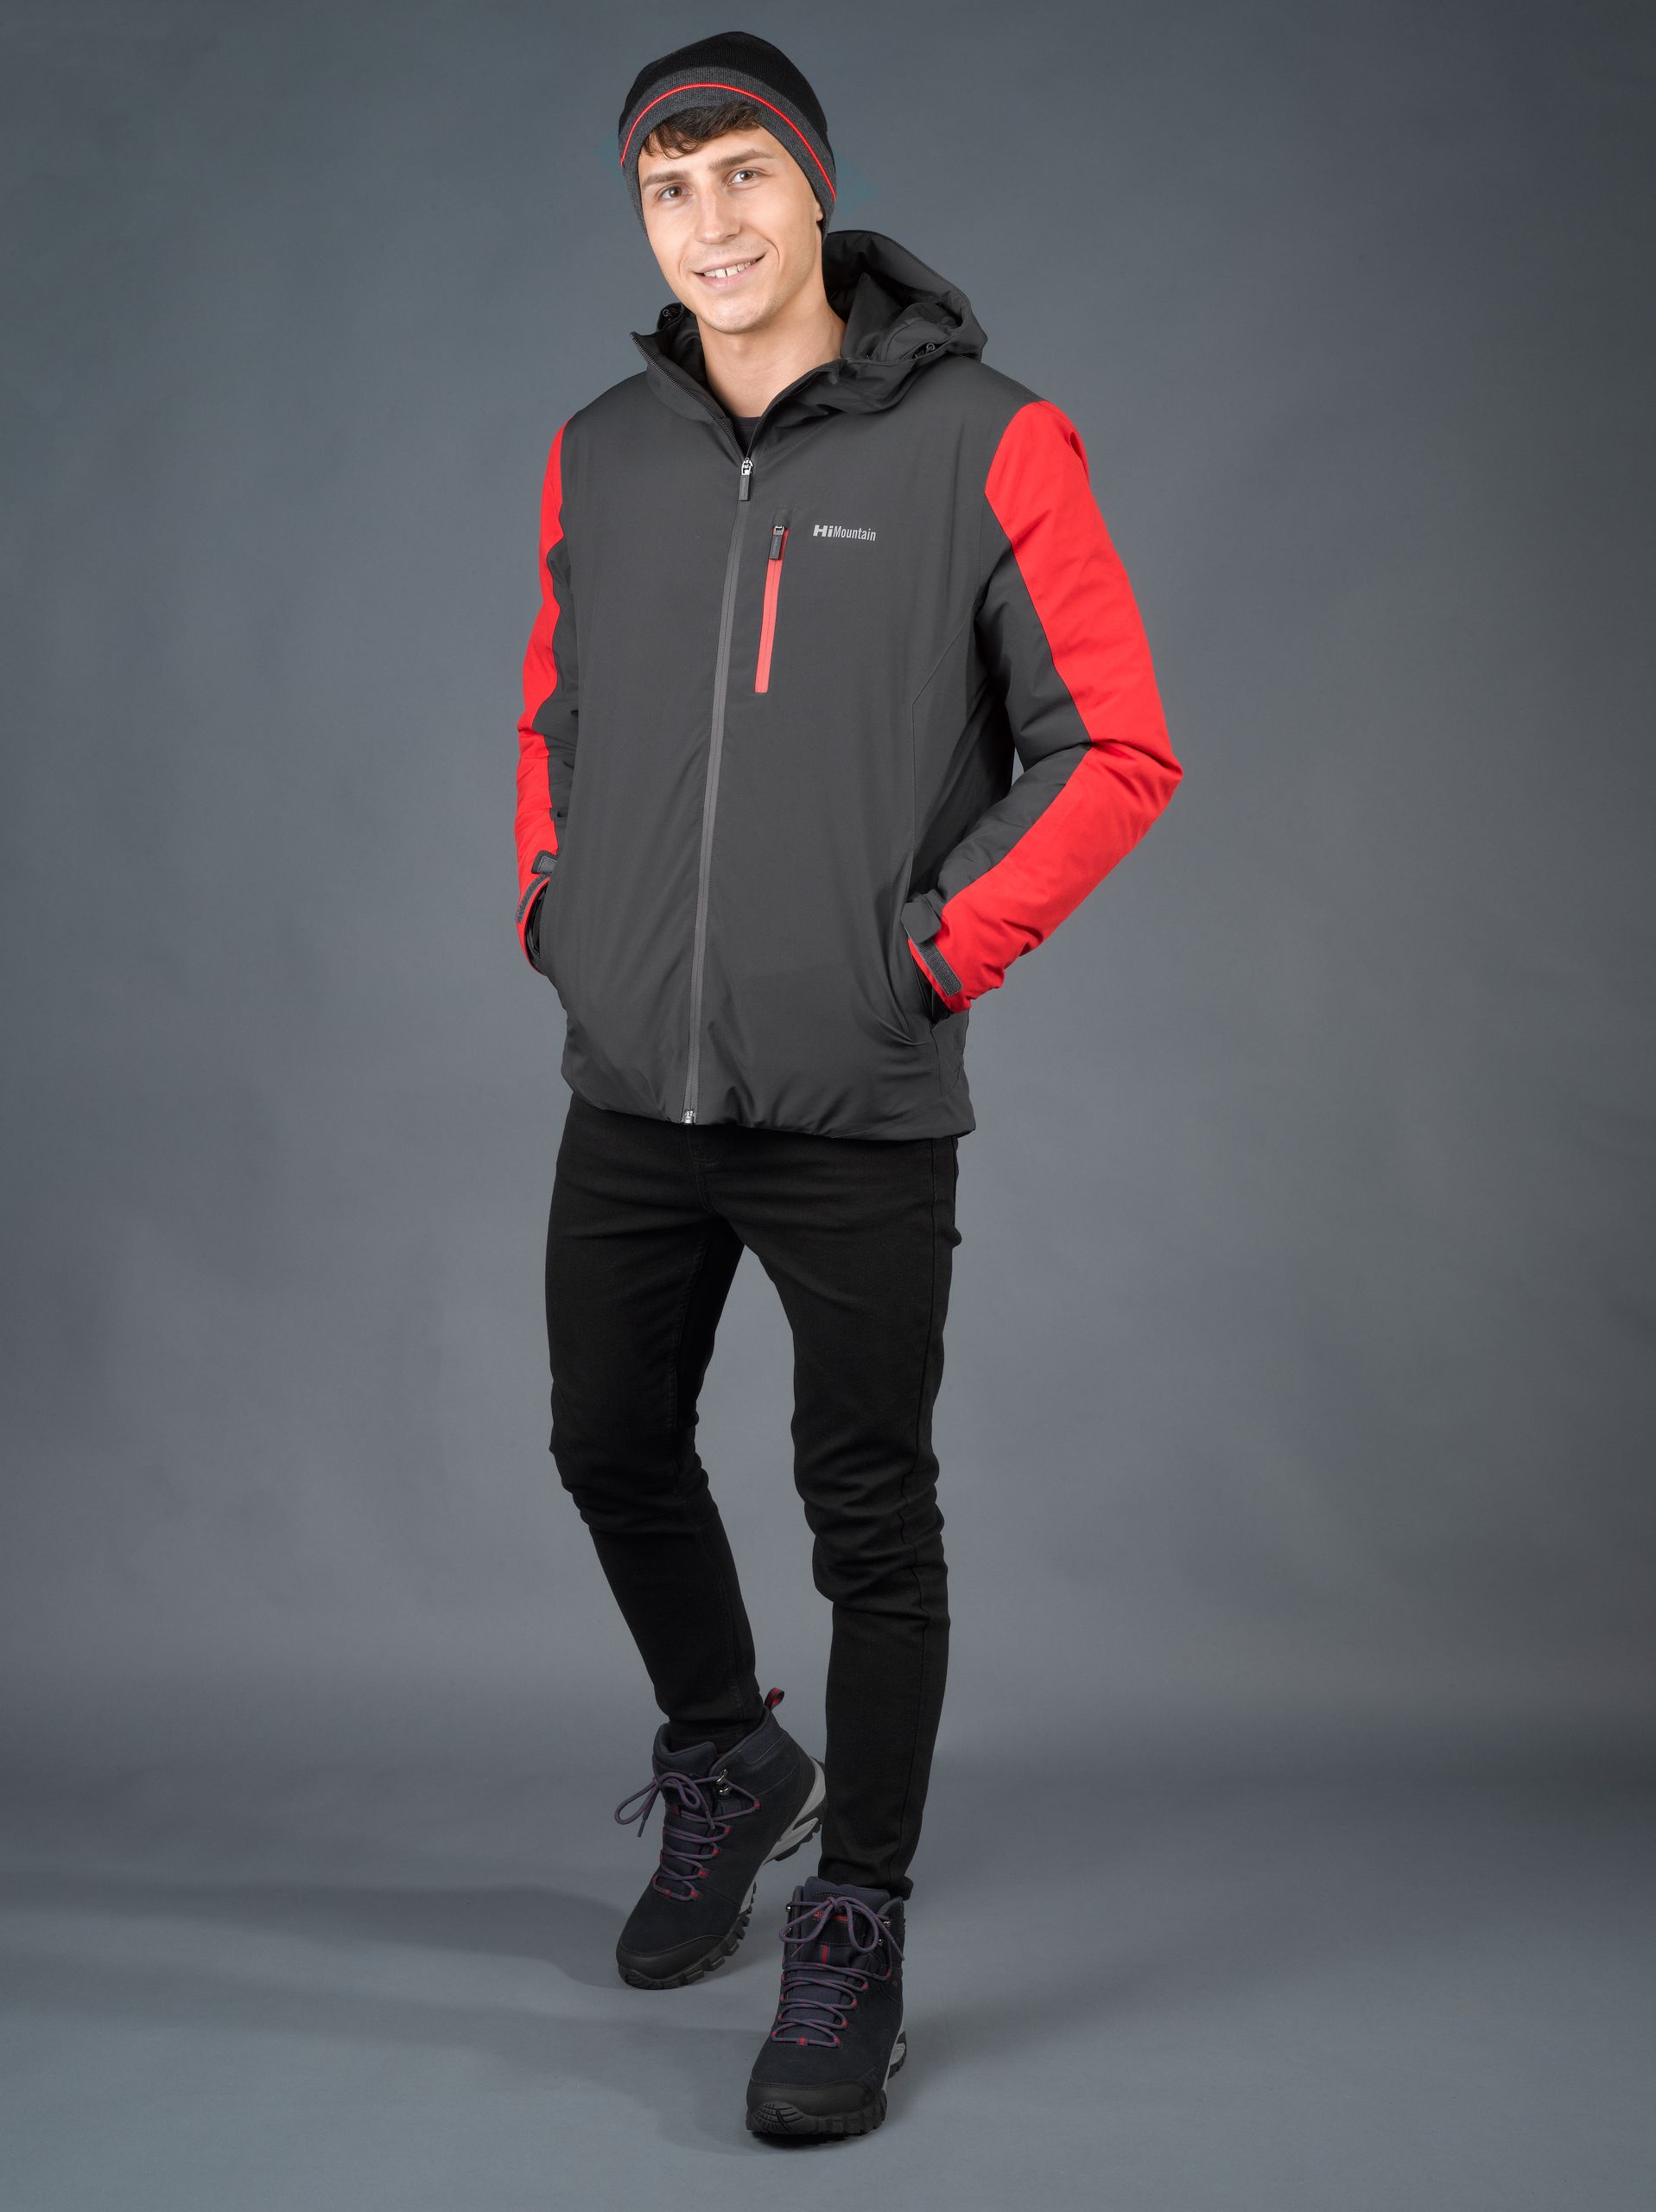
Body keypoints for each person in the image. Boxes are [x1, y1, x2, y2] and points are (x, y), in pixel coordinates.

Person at [513, 29, 1183, 2142]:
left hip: (855, 1100)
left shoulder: (991, 438)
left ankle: (856, 1913)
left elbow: (1114, 746)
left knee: (864, 1508)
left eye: (741, 177)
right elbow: (555, 714)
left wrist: (924, 958)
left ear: (814, 187)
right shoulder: (599, 451)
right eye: (666, 188)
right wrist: (552, 907)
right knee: (606, 1439)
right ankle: (728, 1751)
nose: (706, 224)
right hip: (632, 1076)